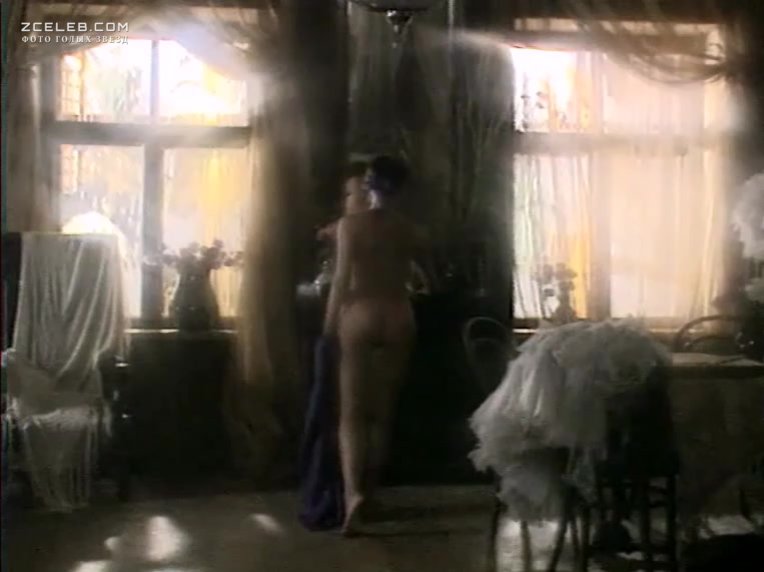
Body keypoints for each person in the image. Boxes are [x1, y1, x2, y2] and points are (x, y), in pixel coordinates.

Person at [324, 155, 428, 535]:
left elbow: (340, 280)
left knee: (352, 414)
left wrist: (328, 324)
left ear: (367, 185)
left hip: (360, 313)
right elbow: (419, 275)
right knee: (381, 415)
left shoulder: (349, 226)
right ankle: (372, 492)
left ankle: (353, 494)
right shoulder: (410, 230)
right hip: (399, 315)